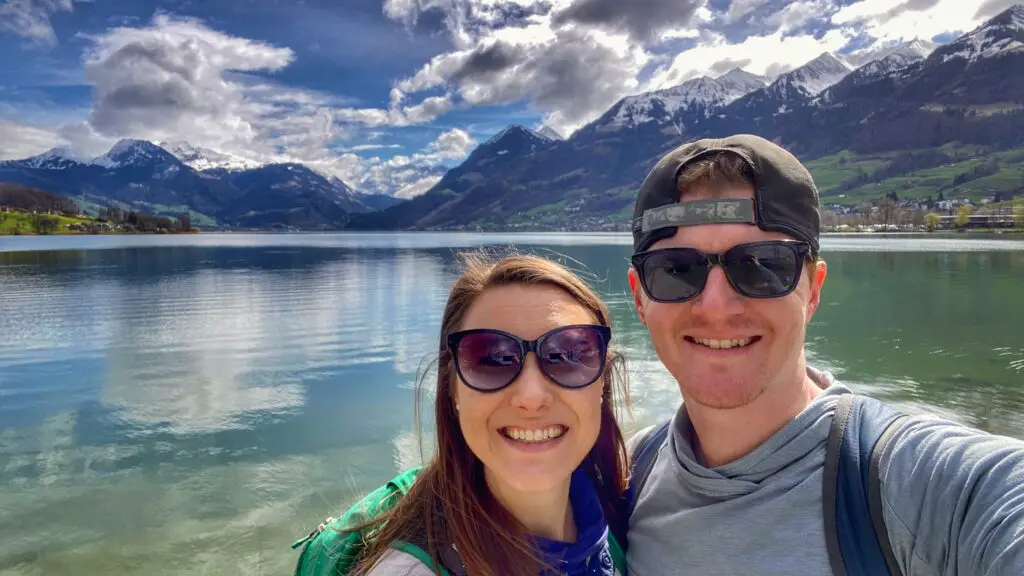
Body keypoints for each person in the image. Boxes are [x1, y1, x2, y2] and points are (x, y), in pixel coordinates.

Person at [623, 134, 1024, 575]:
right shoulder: (628, 474)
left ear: (812, 290)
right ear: (639, 298)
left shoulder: (930, 488)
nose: (716, 307)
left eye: (762, 264)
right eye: (676, 270)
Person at [295, 252, 631, 576]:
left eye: (568, 355)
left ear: (601, 382)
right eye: (491, 360)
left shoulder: (621, 509)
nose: (531, 397)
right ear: (453, 389)